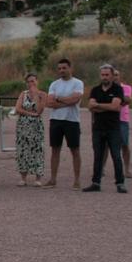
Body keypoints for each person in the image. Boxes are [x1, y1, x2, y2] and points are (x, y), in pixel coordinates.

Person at [83, 65, 126, 193]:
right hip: (98, 128)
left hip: (113, 128)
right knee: (98, 156)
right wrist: (106, 106)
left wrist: (99, 105)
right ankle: (96, 182)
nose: (105, 77)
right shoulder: (95, 90)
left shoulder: (118, 89)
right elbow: (91, 107)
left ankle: (120, 183)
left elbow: (116, 107)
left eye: (107, 75)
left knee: (116, 156)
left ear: (112, 75)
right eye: (103, 75)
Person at [42, 58, 83, 190]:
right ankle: (53, 179)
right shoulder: (54, 84)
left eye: (64, 68)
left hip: (72, 120)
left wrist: (58, 99)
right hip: (56, 120)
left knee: (75, 150)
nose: (61, 71)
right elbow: (49, 103)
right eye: (59, 68)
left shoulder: (77, 83)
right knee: (55, 149)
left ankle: (77, 180)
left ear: (70, 68)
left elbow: (75, 100)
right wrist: (66, 101)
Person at [13, 73, 46, 187]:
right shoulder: (23, 94)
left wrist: (36, 95)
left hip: (36, 126)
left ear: (37, 81)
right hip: (23, 125)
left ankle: (38, 177)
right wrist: (31, 113)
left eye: (33, 81)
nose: (31, 83)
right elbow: (18, 108)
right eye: (29, 81)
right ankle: (23, 177)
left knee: (38, 149)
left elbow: (39, 110)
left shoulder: (42, 94)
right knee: (23, 150)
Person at [113, 67, 132, 178]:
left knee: (125, 144)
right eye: (114, 74)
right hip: (109, 119)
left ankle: (127, 169)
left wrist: (113, 101)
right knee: (106, 145)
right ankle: (101, 168)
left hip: (122, 120)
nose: (115, 77)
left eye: (117, 75)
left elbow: (127, 100)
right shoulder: (105, 88)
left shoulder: (126, 88)